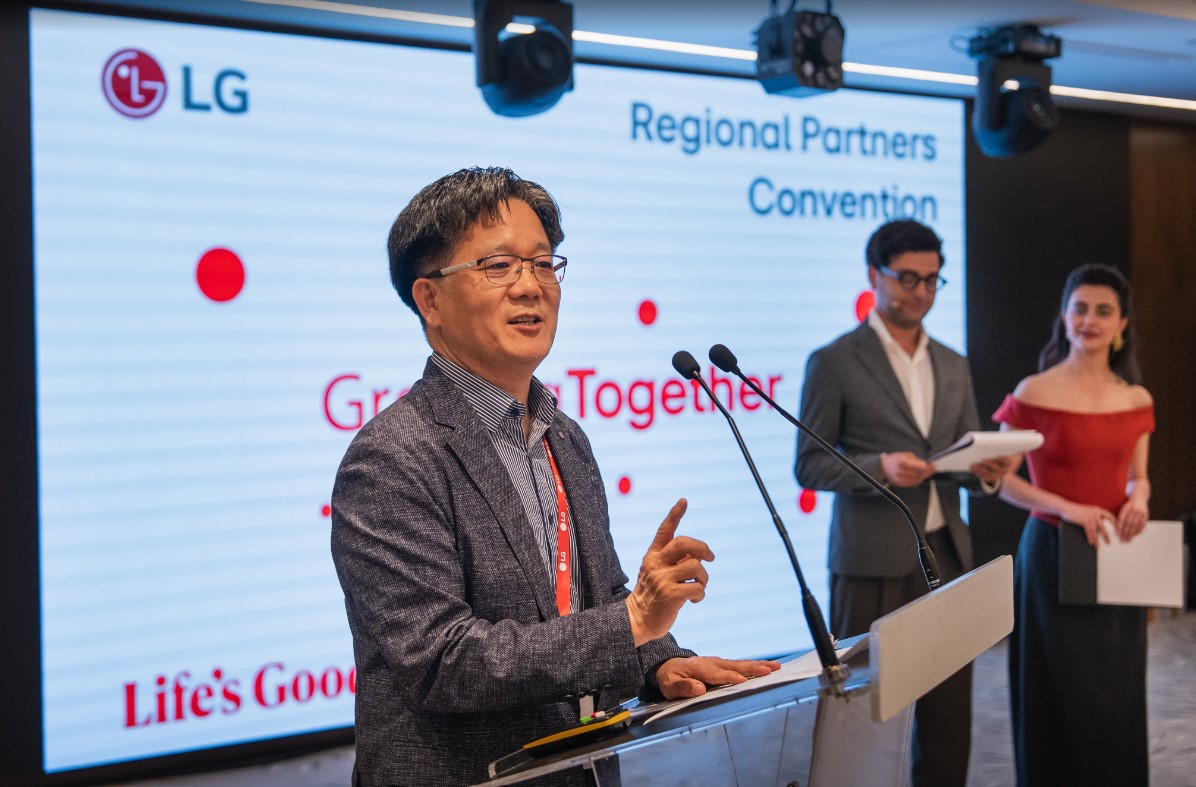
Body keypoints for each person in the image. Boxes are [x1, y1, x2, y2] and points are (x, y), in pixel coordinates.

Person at [330, 166, 778, 787]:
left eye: (543, 264)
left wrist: (657, 662)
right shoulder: (391, 458)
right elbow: (442, 662)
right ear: (429, 299)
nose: (530, 286)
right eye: (498, 266)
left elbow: (593, 602)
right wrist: (633, 622)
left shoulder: (563, 436)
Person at [794, 219, 1014, 787]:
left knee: (949, 720)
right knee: (865, 717)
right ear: (874, 275)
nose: (921, 292)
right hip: (870, 563)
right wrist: (880, 468)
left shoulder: (953, 362)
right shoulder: (834, 360)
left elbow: (959, 457)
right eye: (908, 278)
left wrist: (985, 472)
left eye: (932, 280)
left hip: (947, 556)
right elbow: (809, 464)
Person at [992, 263, 1153, 787]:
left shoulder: (1136, 399)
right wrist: (1067, 508)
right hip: (1052, 551)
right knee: (1056, 686)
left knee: (1117, 686)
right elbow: (1002, 481)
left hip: (1116, 552)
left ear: (1122, 323)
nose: (1089, 320)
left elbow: (1138, 477)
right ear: (1063, 316)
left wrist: (1141, 496)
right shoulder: (1034, 391)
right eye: (1079, 308)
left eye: (1103, 311)